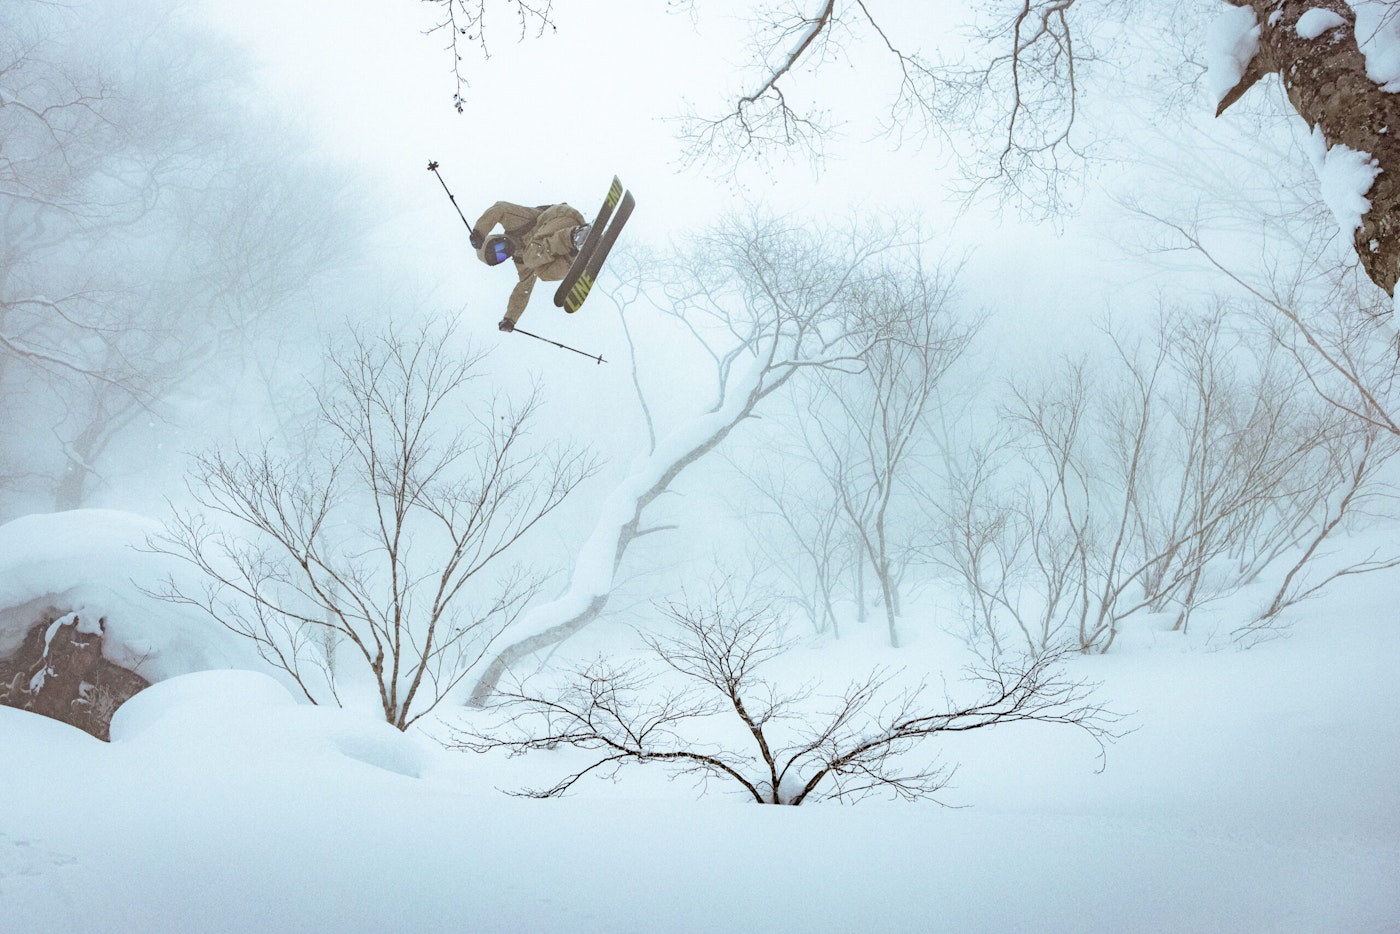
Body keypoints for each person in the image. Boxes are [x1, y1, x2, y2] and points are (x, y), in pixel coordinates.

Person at [470, 200, 588, 332]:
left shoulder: (514, 225)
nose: (503, 251)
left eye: (499, 247)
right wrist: (510, 319)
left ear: (497, 237)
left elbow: (500, 209)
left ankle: (575, 236)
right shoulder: (521, 260)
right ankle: (575, 258)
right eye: (500, 256)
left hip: (560, 217)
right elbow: (522, 290)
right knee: (542, 273)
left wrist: (480, 231)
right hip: (568, 238)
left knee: (530, 258)